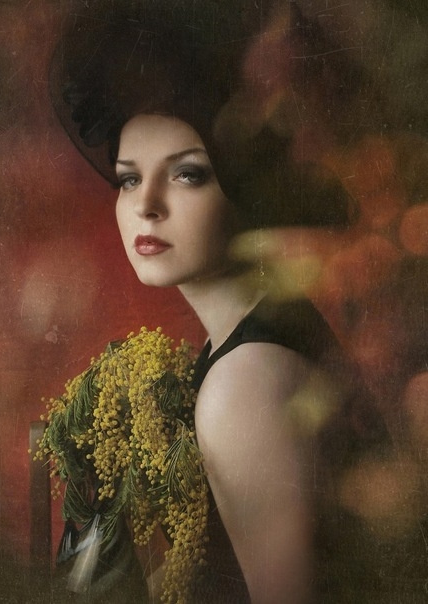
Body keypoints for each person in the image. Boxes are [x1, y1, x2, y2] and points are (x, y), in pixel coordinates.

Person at [49, 2, 393, 602]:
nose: (146, 205)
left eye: (187, 174)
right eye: (129, 178)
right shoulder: (244, 341)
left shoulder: (243, 381)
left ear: (240, 185)